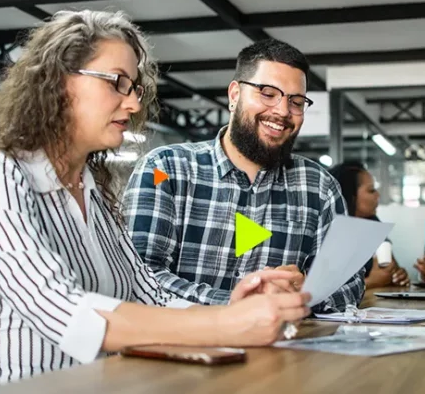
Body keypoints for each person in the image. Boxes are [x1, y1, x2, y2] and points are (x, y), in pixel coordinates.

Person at [0, 11, 310, 394]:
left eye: (135, 89)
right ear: (58, 81)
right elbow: (66, 312)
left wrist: (234, 309)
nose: (132, 104)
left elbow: (152, 296)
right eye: (117, 83)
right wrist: (227, 325)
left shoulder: (92, 188)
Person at [123, 38, 363, 313]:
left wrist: (304, 290)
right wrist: (238, 304)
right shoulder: (164, 170)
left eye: (296, 102)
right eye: (268, 93)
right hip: (180, 350)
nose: (283, 111)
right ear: (235, 94)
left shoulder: (320, 188)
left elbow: (350, 285)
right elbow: (140, 277)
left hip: (283, 352)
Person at [328, 161, 409, 289]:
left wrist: (397, 275)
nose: (378, 195)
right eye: (371, 190)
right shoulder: (326, 233)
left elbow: (388, 269)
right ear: (350, 195)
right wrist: (371, 281)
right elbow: (324, 291)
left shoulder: (373, 223)